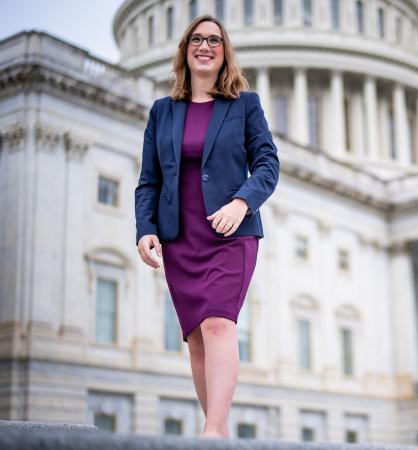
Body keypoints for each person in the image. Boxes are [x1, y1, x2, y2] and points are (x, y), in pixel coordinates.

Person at [134, 15, 279, 438]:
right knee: (197, 338)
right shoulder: (163, 112)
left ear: (224, 51)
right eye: (196, 39)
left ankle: (212, 432)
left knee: (219, 324)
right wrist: (145, 228)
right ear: (184, 50)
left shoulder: (244, 105)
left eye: (214, 40)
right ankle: (216, 426)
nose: (205, 46)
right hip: (181, 237)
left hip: (230, 233)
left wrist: (241, 201)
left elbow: (268, 164)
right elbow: (149, 179)